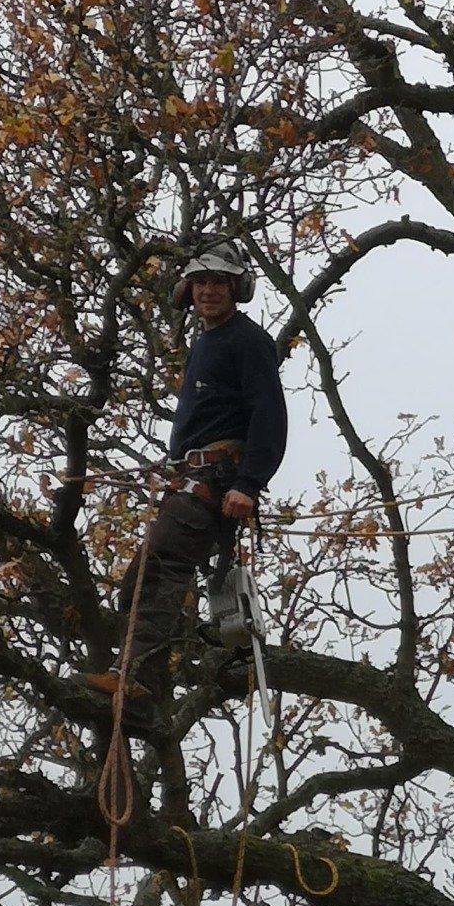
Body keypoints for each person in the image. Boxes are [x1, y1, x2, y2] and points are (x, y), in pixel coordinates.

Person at [88, 238, 288, 708]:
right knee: (140, 577)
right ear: (187, 290)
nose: (208, 291)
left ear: (237, 288)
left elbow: (269, 417)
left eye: (218, 282)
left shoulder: (247, 340)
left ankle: (132, 674)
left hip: (216, 482)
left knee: (159, 569)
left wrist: (247, 484)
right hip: (194, 478)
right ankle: (143, 687)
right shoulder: (207, 342)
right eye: (200, 282)